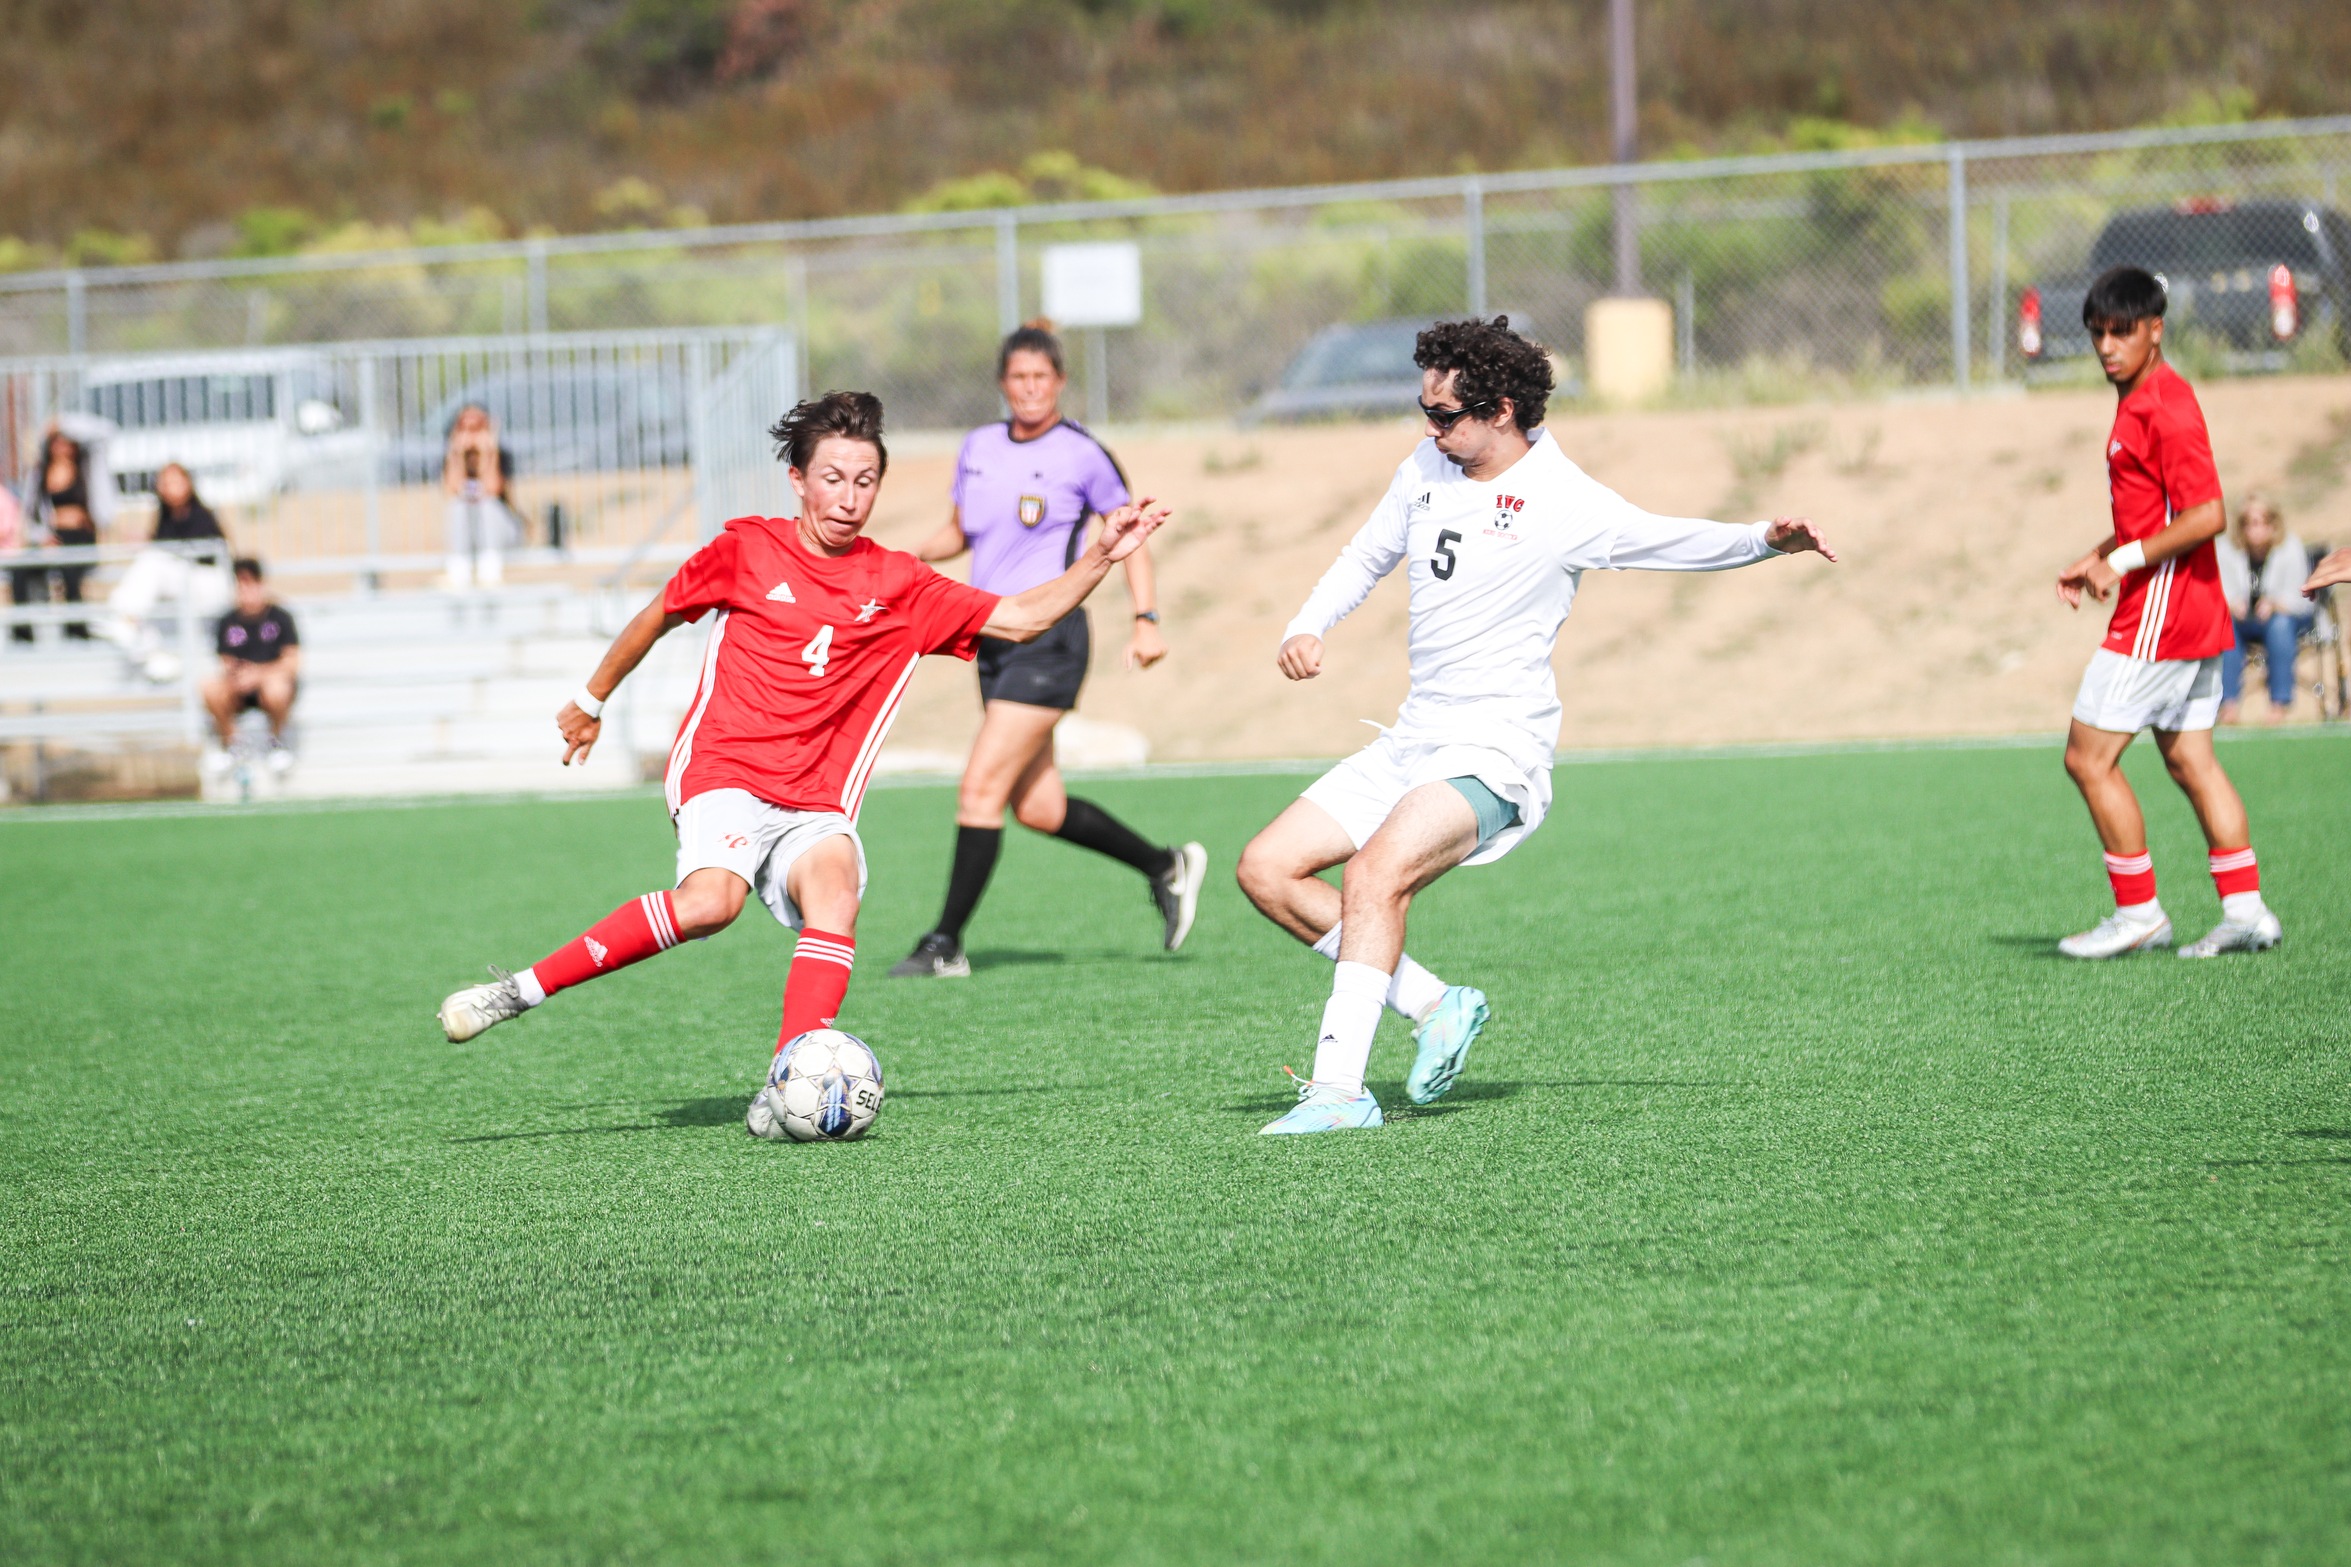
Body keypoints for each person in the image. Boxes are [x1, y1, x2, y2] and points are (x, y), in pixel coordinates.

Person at [435, 392, 1172, 1132]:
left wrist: (1101, 555)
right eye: (832, 478)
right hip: (724, 770)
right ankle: (520, 990)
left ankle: (787, 1076)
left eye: (864, 481)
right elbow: (659, 611)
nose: (848, 498)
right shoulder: (745, 551)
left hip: (815, 799)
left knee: (836, 890)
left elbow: (1021, 615)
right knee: (709, 905)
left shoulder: (899, 583)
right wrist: (591, 698)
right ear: (797, 478)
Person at [1232, 316, 1837, 1135]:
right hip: (1414, 737)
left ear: (1502, 410)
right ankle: (1436, 1004)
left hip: (1494, 751)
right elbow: (1364, 555)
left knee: (1375, 875)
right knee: (1267, 868)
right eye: (1424, 410)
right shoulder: (1423, 466)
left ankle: (1339, 1092)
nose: (1428, 428)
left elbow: (1666, 540)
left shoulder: (1564, 501)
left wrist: (1763, 540)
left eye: (1444, 415)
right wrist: (1306, 625)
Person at [890, 322, 1207, 979]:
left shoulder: (1081, 453)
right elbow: (961, 529)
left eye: (1041, 377)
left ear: (1059, 382)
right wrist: (905, 557)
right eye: (1018, 378)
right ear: (1002, 385)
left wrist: (1145, 619)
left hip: (1051, 637)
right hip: (992, 636)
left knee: (979, 787)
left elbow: (1130, 533)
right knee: (1038, 806)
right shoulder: (977, 446)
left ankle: (945, 942)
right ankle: (1164, 865)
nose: (1029, 389)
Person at [2053, 265, 2278, 961]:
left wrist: (2118, 564)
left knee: (2087, 760)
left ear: (2155, 328)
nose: (2106, 345)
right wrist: (2097, 551)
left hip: (2161, 613)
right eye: (2097, 332)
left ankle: (2138, 914)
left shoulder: (2164, 405)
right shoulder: (2142, 396)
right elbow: (2154, 515)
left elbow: (2208, 514)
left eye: (2121, 331)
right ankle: (2245, 911)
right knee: (2189, 759)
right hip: (2192, 612)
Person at [101, 462, 232, 681]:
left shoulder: (201, 515)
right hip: (183, 586)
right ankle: (150, 651)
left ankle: (121, 617)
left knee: (151, 561)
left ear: (188, 484)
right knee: (150, 579)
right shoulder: (165, 518)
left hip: (208, 584)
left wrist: (148, 545)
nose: (169, 487)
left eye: (175, 481)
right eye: (164, 482)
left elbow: (201, 555)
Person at [2214, 495, 2313, 724]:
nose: (2255, 529)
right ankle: (2228, 704)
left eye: (2261, 522)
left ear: (2273, 524)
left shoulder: (2290, 548)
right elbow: (2218, 591)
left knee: (2279, 625)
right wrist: (2232, 603)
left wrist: (2276, 603)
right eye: (2249, 523)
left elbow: (2303, 597)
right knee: (2225, 626)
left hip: (2285, 621)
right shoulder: (2227, 551)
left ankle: (2279, 703)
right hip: (2242, 622)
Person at [11, 424, 114, 642]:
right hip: (50, 537)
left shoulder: (87, 468)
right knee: (19, 571)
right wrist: (43, 538)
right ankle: (22, 632)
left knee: (70, 567)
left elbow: (105, 432)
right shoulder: (39, 473)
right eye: (57, 442)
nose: (62, 447)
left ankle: (75, 628)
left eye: (66, 442)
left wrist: (63, 421)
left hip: (80, 536)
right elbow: (31, 513)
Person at [201, 558, 301, 778]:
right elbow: (225, 661)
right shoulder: (228, 620)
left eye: (251, 583)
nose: (246, 590)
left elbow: (292, 663)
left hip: (270, 684)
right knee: (209, 687)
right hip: (239, 685)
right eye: (241, 583)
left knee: (277, 688)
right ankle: (232, 743)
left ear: (261, 584)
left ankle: (275, 741)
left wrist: (259, 674)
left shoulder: (280, 617)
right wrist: (239, 676)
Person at [442, 403, 516, 589]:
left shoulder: (501, 455)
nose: (472, 434)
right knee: (459, 505)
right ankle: (459, 571)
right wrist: (457, 453)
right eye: (465, 428)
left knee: (487, 503)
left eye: (477, 428)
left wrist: (489, 453)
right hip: (468, 535)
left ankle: (490, 571)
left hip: (500, 532)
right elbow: (451, 490)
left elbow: (492, 488)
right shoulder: (452, 457)